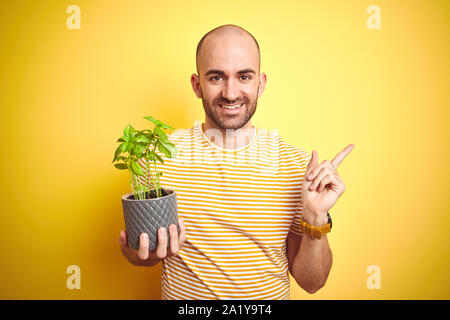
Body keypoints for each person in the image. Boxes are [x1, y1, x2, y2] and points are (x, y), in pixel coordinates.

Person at [118, 24, 354, 299]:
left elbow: (312, 283)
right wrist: (138, 252)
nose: (231, 93)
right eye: (216, 77)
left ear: (260, 84)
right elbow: (141, 254)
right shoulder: (158, 155)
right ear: (197, 85)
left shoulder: (296, 166)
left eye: (244, 76)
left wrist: (315, 217)